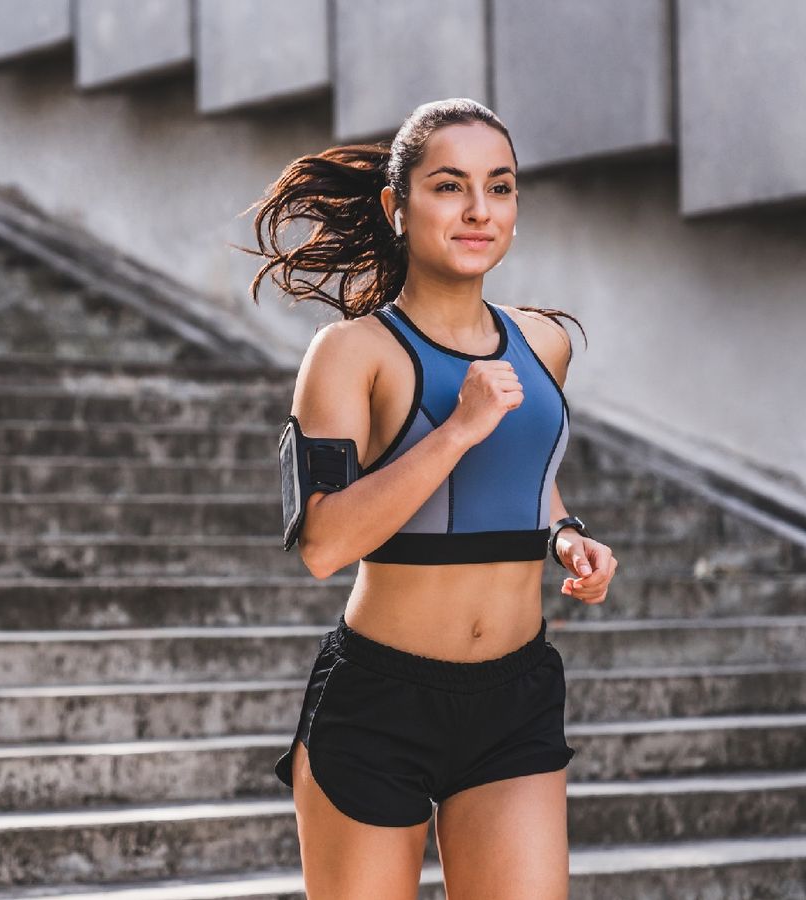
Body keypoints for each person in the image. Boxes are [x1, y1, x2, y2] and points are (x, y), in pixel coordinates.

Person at [238, 98, 618, 900]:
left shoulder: (543, 342)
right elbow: (323, 545)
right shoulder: (349, 353)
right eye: (451, 186)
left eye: (501, 187)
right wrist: (455, 430)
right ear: (397, 205)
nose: (480, 210)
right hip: (381, 703)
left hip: (515, 698)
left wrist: (566, 536)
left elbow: (527, 481)